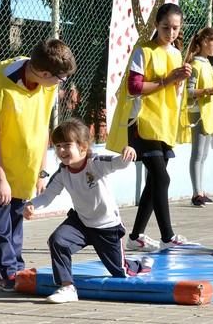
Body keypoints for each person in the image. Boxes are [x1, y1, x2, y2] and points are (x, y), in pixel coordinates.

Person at [0, 39, 77, 291]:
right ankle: (4, 272)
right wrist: (1, 177)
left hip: (18, 136)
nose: (62, 84)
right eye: (61, 79)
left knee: (17, 207)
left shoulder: (47, 84)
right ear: (46, 74)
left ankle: (16, 266)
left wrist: (41, 171)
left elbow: (41, 124)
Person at [23, 119, 154, 304]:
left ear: (83, 147)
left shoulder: (96, 163)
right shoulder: (63, 173)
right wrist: (32, 205)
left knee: (121, 271)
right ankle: (67, 287)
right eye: (58, 146)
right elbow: (47, 196)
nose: (61, 150)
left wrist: (129, 153)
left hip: (107, 226)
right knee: (58, 240)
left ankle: (141, 264)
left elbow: (119, 163)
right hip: (81, 223)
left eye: (67, 145)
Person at [106, 3, 192, 252]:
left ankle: (135, 237)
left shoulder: (176, 53)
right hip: (142, 121)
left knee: (154, 182)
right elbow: (134, 87)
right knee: (162, 178)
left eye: (176, 28)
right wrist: (168, 80)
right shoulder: (143, 51)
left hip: (164, 123)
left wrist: (181, 79)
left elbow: (173, 91)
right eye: (166, 27)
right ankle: (168, 236)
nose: (171, 32)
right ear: (156, 24)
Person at [181, 27, 213, 207]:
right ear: (204, 42)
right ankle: (196, 193)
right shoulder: (195, 65)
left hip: (207, 113)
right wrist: (210, 91)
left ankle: (200, 190)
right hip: (198, 113)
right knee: (198, 153)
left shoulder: (206, 63)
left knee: (203, 154)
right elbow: (188, 91)